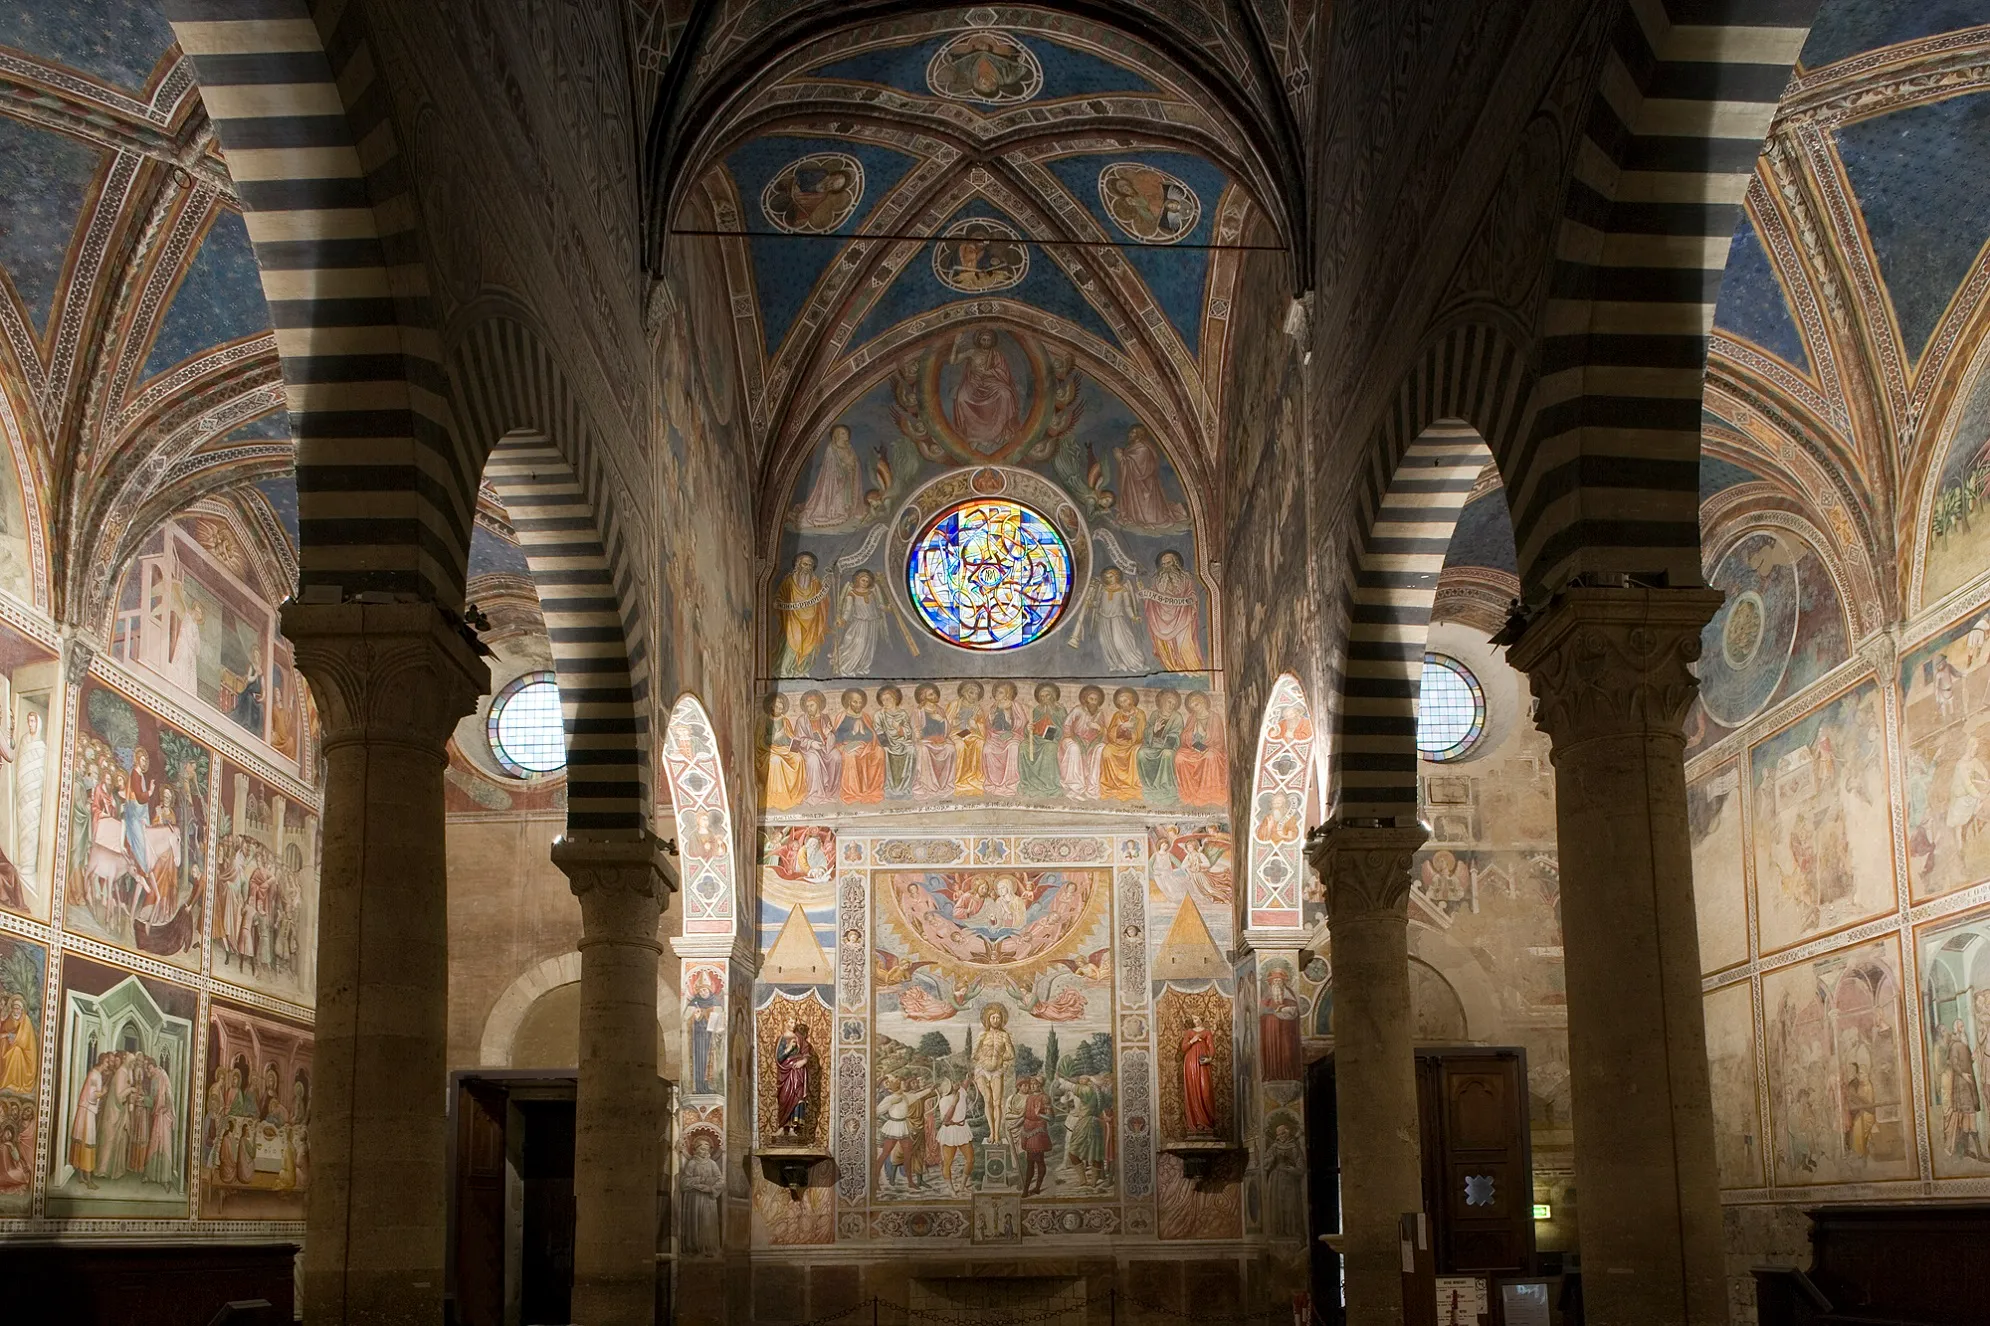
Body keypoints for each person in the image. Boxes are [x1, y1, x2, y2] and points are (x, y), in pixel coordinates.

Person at [949, 329, 1022, 455]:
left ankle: (997, 434)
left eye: (988, 340)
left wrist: (987, 373)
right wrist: (956, 344)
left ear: (992, 341)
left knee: (1005, 394)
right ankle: (974, 436)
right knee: (961, 397)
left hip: (992, 383)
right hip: (974, 383)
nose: (986, 342)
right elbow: (953, 361)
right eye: (984, 339)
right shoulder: (972, 352)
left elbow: (1003, 373)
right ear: (979, 340)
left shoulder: (996, 355)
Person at [1112, 426, 1187, 529]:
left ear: (1139, 435)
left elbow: (1139, 471)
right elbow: (1130, 460)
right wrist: (1122, 454)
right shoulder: (1132, 447)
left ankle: (1146, 518)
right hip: (1134, 484)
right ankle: (1134, 516)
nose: (1130, 434)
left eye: (1133, 432)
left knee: (1148, 510)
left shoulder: (1143, 449)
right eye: (1130, 432)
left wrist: (1120, 458)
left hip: (1144, 484)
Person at [1140, 551, 1204, 670]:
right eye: (1163, 564)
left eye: (1168, 563)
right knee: (1166, 646)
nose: (1166, 566)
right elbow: (1152, 598)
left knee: (1184, 644)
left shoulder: (1186, 577)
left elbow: (1192, 592)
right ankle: (1173, 668)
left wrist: (1192, 599)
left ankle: (1192, 669)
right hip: (1161, 616)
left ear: (1175, 563)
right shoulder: (1156, 580)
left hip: (1183, 615)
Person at [794, 425, 866, 529]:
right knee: (839, 498)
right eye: (843, 433)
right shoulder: (831, 448)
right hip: (836, 482)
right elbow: (830, 469)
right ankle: (837, 511)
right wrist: (844, 468)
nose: (846, 435)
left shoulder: (849, 447)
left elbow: (855, 462)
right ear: (836, 435)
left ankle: (847, 509)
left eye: (846, 433)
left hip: (848, 478)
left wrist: (853, 465)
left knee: (848, 495)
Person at [773, 553, 830, 674]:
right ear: (798, 565)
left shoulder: (816, 583)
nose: (807, 567)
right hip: (793, 618)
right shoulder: (789, 581)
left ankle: (802, 670)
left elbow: (823, 601)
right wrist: (779, 603)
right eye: (805, 564)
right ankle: (786, 669)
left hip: (812, 621)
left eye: (810, 565)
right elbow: (779, 597)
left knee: (810, 645)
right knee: (791, 643)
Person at [1175, 692, 1228, 807]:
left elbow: (1219, 740)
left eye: (1196, 702)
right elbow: (1184, 738)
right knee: (1179, 756)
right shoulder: (1192, 718)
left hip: (1213, 748)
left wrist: (1205, 735)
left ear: (1203, 701)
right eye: (1192, 705)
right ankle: (1189, 792)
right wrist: (1192, 734)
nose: (1194, 706)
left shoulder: (1215, 717)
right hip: (1195, 747)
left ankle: (1208, 793)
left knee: (1210, 756)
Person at [834, 689, 885, 805]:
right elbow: (837, 737)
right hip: (848, 746)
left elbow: (872, 735)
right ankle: (853, 792)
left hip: (866, 746)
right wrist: (853, 732)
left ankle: (872, 789)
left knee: (879, 751)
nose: (858, 705)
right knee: (850, 756)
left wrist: (862, 730)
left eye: (860, 702)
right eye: (855, 702)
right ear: (848, 702)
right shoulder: (842, 716)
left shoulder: (865, 716)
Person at [11, 710, 43, 897]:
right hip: (22, 792)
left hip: (34, 796)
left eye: (33, 721)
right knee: (21, 826)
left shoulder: (41, 746)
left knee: (31, 829)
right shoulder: (23, 741)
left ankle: (29, 867)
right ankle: (22, 863)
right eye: (29, 721)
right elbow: (20, 764)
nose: (30, 725)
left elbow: (39, 772)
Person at [832, 569, 887, 675]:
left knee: (869, 649)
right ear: (857, 580)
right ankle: (846, 669)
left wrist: (887, 608)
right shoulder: (851, 594)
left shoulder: (872, 593)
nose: (865, 583)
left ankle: (862, 668)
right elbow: (848, 610)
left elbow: (879, 605)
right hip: (859, 624)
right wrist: (843, 620)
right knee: (858, 647)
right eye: (863, 580)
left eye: (867, 581)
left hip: (872, 623)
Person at [758, 695, 808, 812]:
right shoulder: (763, 721)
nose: (778, 710)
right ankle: (777, 795)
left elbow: (789, 738)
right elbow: (760, 741)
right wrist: (775, 737)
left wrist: (793, 744)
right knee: (776, 760)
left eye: (780, 708)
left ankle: (795, 791)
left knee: (798, 758)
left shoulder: (785, 721)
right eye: (776, 707)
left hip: (784, 749)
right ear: (771, 707)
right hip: (769, 750)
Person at [1944, 1020, 1985, 1161]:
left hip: (1968, 1082)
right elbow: (1954, 1064)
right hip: (1962, 1084)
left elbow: (1965, 1062)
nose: (1963, 1029)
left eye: (1963, 1026)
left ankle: (1966, 1150)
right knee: (1971, 1116)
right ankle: (1980, 1154)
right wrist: (1962, 1074)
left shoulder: (1963, 1045)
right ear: (1956, 1029)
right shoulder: (1955, 1045)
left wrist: (1972, 1058)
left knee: (1968, 1118)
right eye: (1961, 1027)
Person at [973, 1004, 1016, 1138]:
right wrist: (984, 1059)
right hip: (982, 1071)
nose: (996, 1020)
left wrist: (999, 1057)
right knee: (988, 1100)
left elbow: (1011, 1054)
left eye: (998, 1018)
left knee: (997, 1103)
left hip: (997, 1070)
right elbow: (974, 1054)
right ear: (988, 1019)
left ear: (1001, 1020)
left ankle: (997, 1134)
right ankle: (991, 1132)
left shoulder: (1004, 1036)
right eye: (993, 1017)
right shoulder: (982, 1035)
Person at [1058, 686, 1106, 801]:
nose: (1093, 702)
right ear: (1085, 699)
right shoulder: (1078, 710)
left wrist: (1099, 727)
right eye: (1091, 699)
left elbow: (1105, 732)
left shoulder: (1100, 713)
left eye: (1096, 700)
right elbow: (1066, 725)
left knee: (1101, 749)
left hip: (1092, 743)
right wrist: (1074, 737)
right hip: (1073, 739)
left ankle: (1093, 789)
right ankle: (1075, 788)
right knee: (1074, 749)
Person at [680, 1137, 725, 1256]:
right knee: (695, 1221)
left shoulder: (712, 1164)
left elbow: (720, 1181)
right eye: (701, 1149)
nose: (704, 1152)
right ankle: (695, 1248)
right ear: (695, 1150)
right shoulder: (692, 1163)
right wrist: (701, 1180)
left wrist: (710, 1188)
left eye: (706, 1149)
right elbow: (684, 1182)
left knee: (707, 1222)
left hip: (708, 1199)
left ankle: (708, 1248)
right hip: (694, 1198)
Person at [912, 683, 958, 799]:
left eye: (935, 693)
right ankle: (927, 785)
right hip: (926, 743)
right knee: (923, 750)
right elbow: (915, 729)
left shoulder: (940, 710)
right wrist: (918, 737)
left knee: (951, 749)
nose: (935, 695)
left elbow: (947, 731)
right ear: (923, 697)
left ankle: (944, 784)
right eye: (931, 694)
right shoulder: (918, 711)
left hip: (940, 741)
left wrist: (942, 720)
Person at [1259, 966, 1304, 1083]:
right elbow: (1262, 1012)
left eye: (1279, 980)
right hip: (1271, 1029)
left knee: (1287, 1052)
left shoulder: (1289, 995)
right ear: (1271, 983)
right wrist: (1273, 1010)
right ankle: (1271, 1074)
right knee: (1271, 1052)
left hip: (1286, 1030)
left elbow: (1294, 1011)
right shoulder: (1267, 997)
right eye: (1275, 981)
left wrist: (1284, 1009)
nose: (1277, 983)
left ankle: (1289, 1074)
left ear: (1284, 982)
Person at [1100, 687, 1145, 801]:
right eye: (1120, 702)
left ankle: (1132, 785)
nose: (1123, 704)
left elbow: (1141, 733)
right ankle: (1112, 784)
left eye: (1125, 700)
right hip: (1118, 744)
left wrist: (1131, 730)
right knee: (1107, 751)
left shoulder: (1139, 714)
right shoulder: (1117, 715)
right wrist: (1121, 727)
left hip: (1133, 744)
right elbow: (1110, 734)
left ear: (1132, 700)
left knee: (1136, 752)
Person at [934, 1073, 976, 1196]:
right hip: (950, 1131)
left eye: (956, 1081)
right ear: (950, 1087)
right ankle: (951, 1189)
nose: (957, 1083)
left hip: (962, 1129)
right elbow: (946, 1121)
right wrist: (954, 1103)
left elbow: (966, 1083)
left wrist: (968, 1077)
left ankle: (962, 1185)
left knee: (970, 1159)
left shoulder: (961, 1092)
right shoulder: (944, 1101)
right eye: (953, 1082)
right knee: (947, 1162)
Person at [982, 681, 1026, 797]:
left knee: (1013, 747)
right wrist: (991, 716)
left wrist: (1008, 716)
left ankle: (1011, 783)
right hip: (995, 736)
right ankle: (993, 783)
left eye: (1000, 692)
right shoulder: (994, 706)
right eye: (996, 692)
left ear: (1008, 694)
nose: (997, 694)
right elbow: (988, 725)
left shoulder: (1015, 705)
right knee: (987, 749)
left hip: (1012, 735)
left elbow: (1022, 723)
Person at [1020, 683, 1063, 799]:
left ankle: (1048, 784)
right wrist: (1027, 728)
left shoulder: (1059, 710)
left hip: (1052, 739)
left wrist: (1051, 733)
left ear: (1053, 696)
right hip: (1036, 739)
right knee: (1023, 746)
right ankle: (1029, 782)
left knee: (1050, 748)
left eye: (1047, 696)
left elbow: (1064, 728)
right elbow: (1030, 727)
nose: (1044, 699)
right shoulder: (1036, 710)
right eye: (1042, 697)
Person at [774, 1021, 815, 1140]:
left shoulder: (800, 1038)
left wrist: (803, 1061)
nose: (793, 1024)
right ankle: (782, 1127)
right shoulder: (781, 1039)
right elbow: (779, 1058)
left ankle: (793, 1128)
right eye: (791, 1021)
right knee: (783, 1098)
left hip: (798, 1072)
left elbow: (806, 1054)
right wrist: (788, 1049)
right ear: (786, 1022)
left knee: (797, 1097)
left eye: (794, 1021)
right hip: (785, 1073)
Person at [874, 686, 916, 799]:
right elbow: (879, 731)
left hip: (902, 742)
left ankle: (905, 786)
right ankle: (891, 787)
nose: (885, 702)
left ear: (895, 699)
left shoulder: (902, 713)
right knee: (884, 753)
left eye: (888, 699)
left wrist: (899, 728)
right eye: (883, 700)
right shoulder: (880, 715)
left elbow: (908, 732)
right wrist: (885, 745)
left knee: (911, 750)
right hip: (888, 743)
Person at [1015, 1075, 1053, 1197]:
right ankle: (1032, 1188)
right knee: (1034, 1161)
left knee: (1034, 1161)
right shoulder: (1029, 1097)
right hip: (1027, 1131)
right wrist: (1015, 1125)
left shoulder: (1045, 1098)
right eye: (1031, 1084)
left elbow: (1051, 1119)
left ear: (1040, 1085)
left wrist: (1039, 1114)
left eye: (1035, 1084)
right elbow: (1026, 1115)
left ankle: (1030, 1189)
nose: (1032, 1086)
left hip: (1038, 1131)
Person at [1181, 1014, 1218, 1136]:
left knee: (1205, 1090)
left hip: (1203, 1062)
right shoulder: (1189, 1032)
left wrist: (1210, 1058)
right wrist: (1192, 1040)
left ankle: (1206, 1121)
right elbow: (1183, 1047)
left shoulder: (1207, 1032)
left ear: (1201, 1019)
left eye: (1196, 1019)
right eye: (1193, 1019)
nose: (1195, 1021)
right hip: (1191, 1062)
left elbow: (1211, 1046)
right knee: (1193, 1091)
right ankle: (1196, 1123)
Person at [0, 993, 35, 1095]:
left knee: (16, 1051)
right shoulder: (10, 1019)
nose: (16, 1011)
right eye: (14, 1008)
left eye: (18, 1008)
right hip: (9, 1048)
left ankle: (13, 1082)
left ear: (22, 1009)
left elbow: (23, 1040)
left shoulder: (26, 1020)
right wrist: (6, 1036)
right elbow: (3, 1034)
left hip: (25, 1054)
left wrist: (8, 1036)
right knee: (4, 1043)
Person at [1842, 1062, 1877, 1158]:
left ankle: (1859, 1152)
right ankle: (1856, 1151)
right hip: (1856, 1112)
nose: (1850, 1071)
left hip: (1862, 1113)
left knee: (1856, 1128)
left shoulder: (1859, 1084)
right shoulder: (1853, 1083)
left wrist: (1854, 1102)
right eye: (1848, 1069)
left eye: (1853, 1070)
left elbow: (1864, 1102)